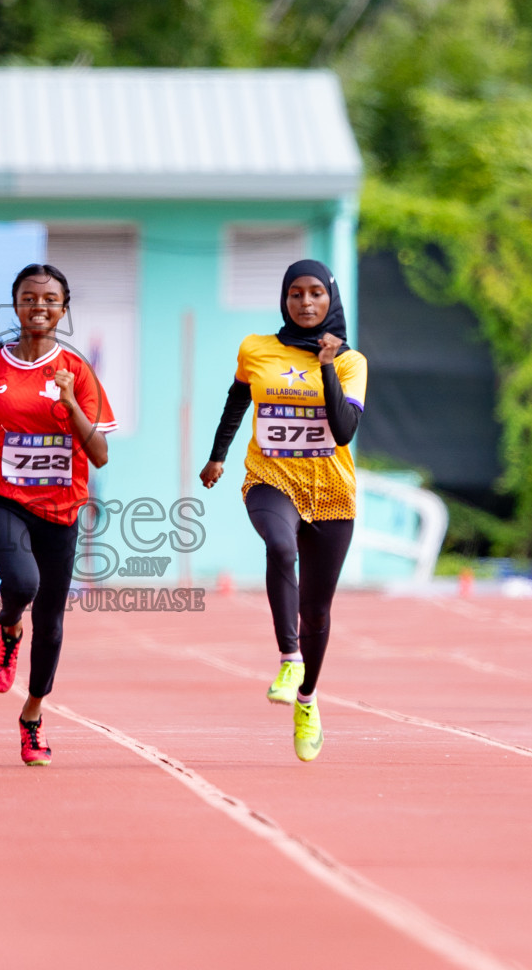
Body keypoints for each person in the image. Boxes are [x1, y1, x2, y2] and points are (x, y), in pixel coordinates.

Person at [0, 264, 116, 766]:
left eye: (51, 299)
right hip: (2, 497)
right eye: (30, 298)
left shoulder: (76, 372)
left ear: (64, 308)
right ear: (15, 305)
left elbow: (99, 454)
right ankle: (9, 626)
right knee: (22, 582)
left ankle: (32, 716)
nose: (40, 306)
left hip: (61, 510)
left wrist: (69, 401)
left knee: (52, 622)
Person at [201, 259, 367, 762]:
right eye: (296, 293)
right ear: (284, 299)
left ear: (330, 299)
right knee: (278, 544)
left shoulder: (351, 362)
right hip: (270, 478)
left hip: (331, 492)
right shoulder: (256, 348)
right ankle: (288, 657)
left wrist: (324, 365)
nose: (306, 302)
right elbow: (236, 402)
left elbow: (343, 431)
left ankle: (308, 698)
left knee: (318, 609)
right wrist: (217, 457)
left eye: (316, 293)